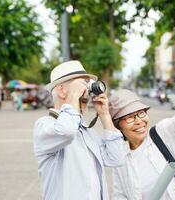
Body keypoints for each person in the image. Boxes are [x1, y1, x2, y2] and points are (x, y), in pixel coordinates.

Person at [33, 60, 125, 200]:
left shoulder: (87, 132)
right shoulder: (45, 125)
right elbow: (66, 132)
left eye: (87, 85)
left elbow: (116, 158)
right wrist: (73, 97)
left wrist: (105, 115)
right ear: (62, 90)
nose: (87, 91)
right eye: (82, 84)